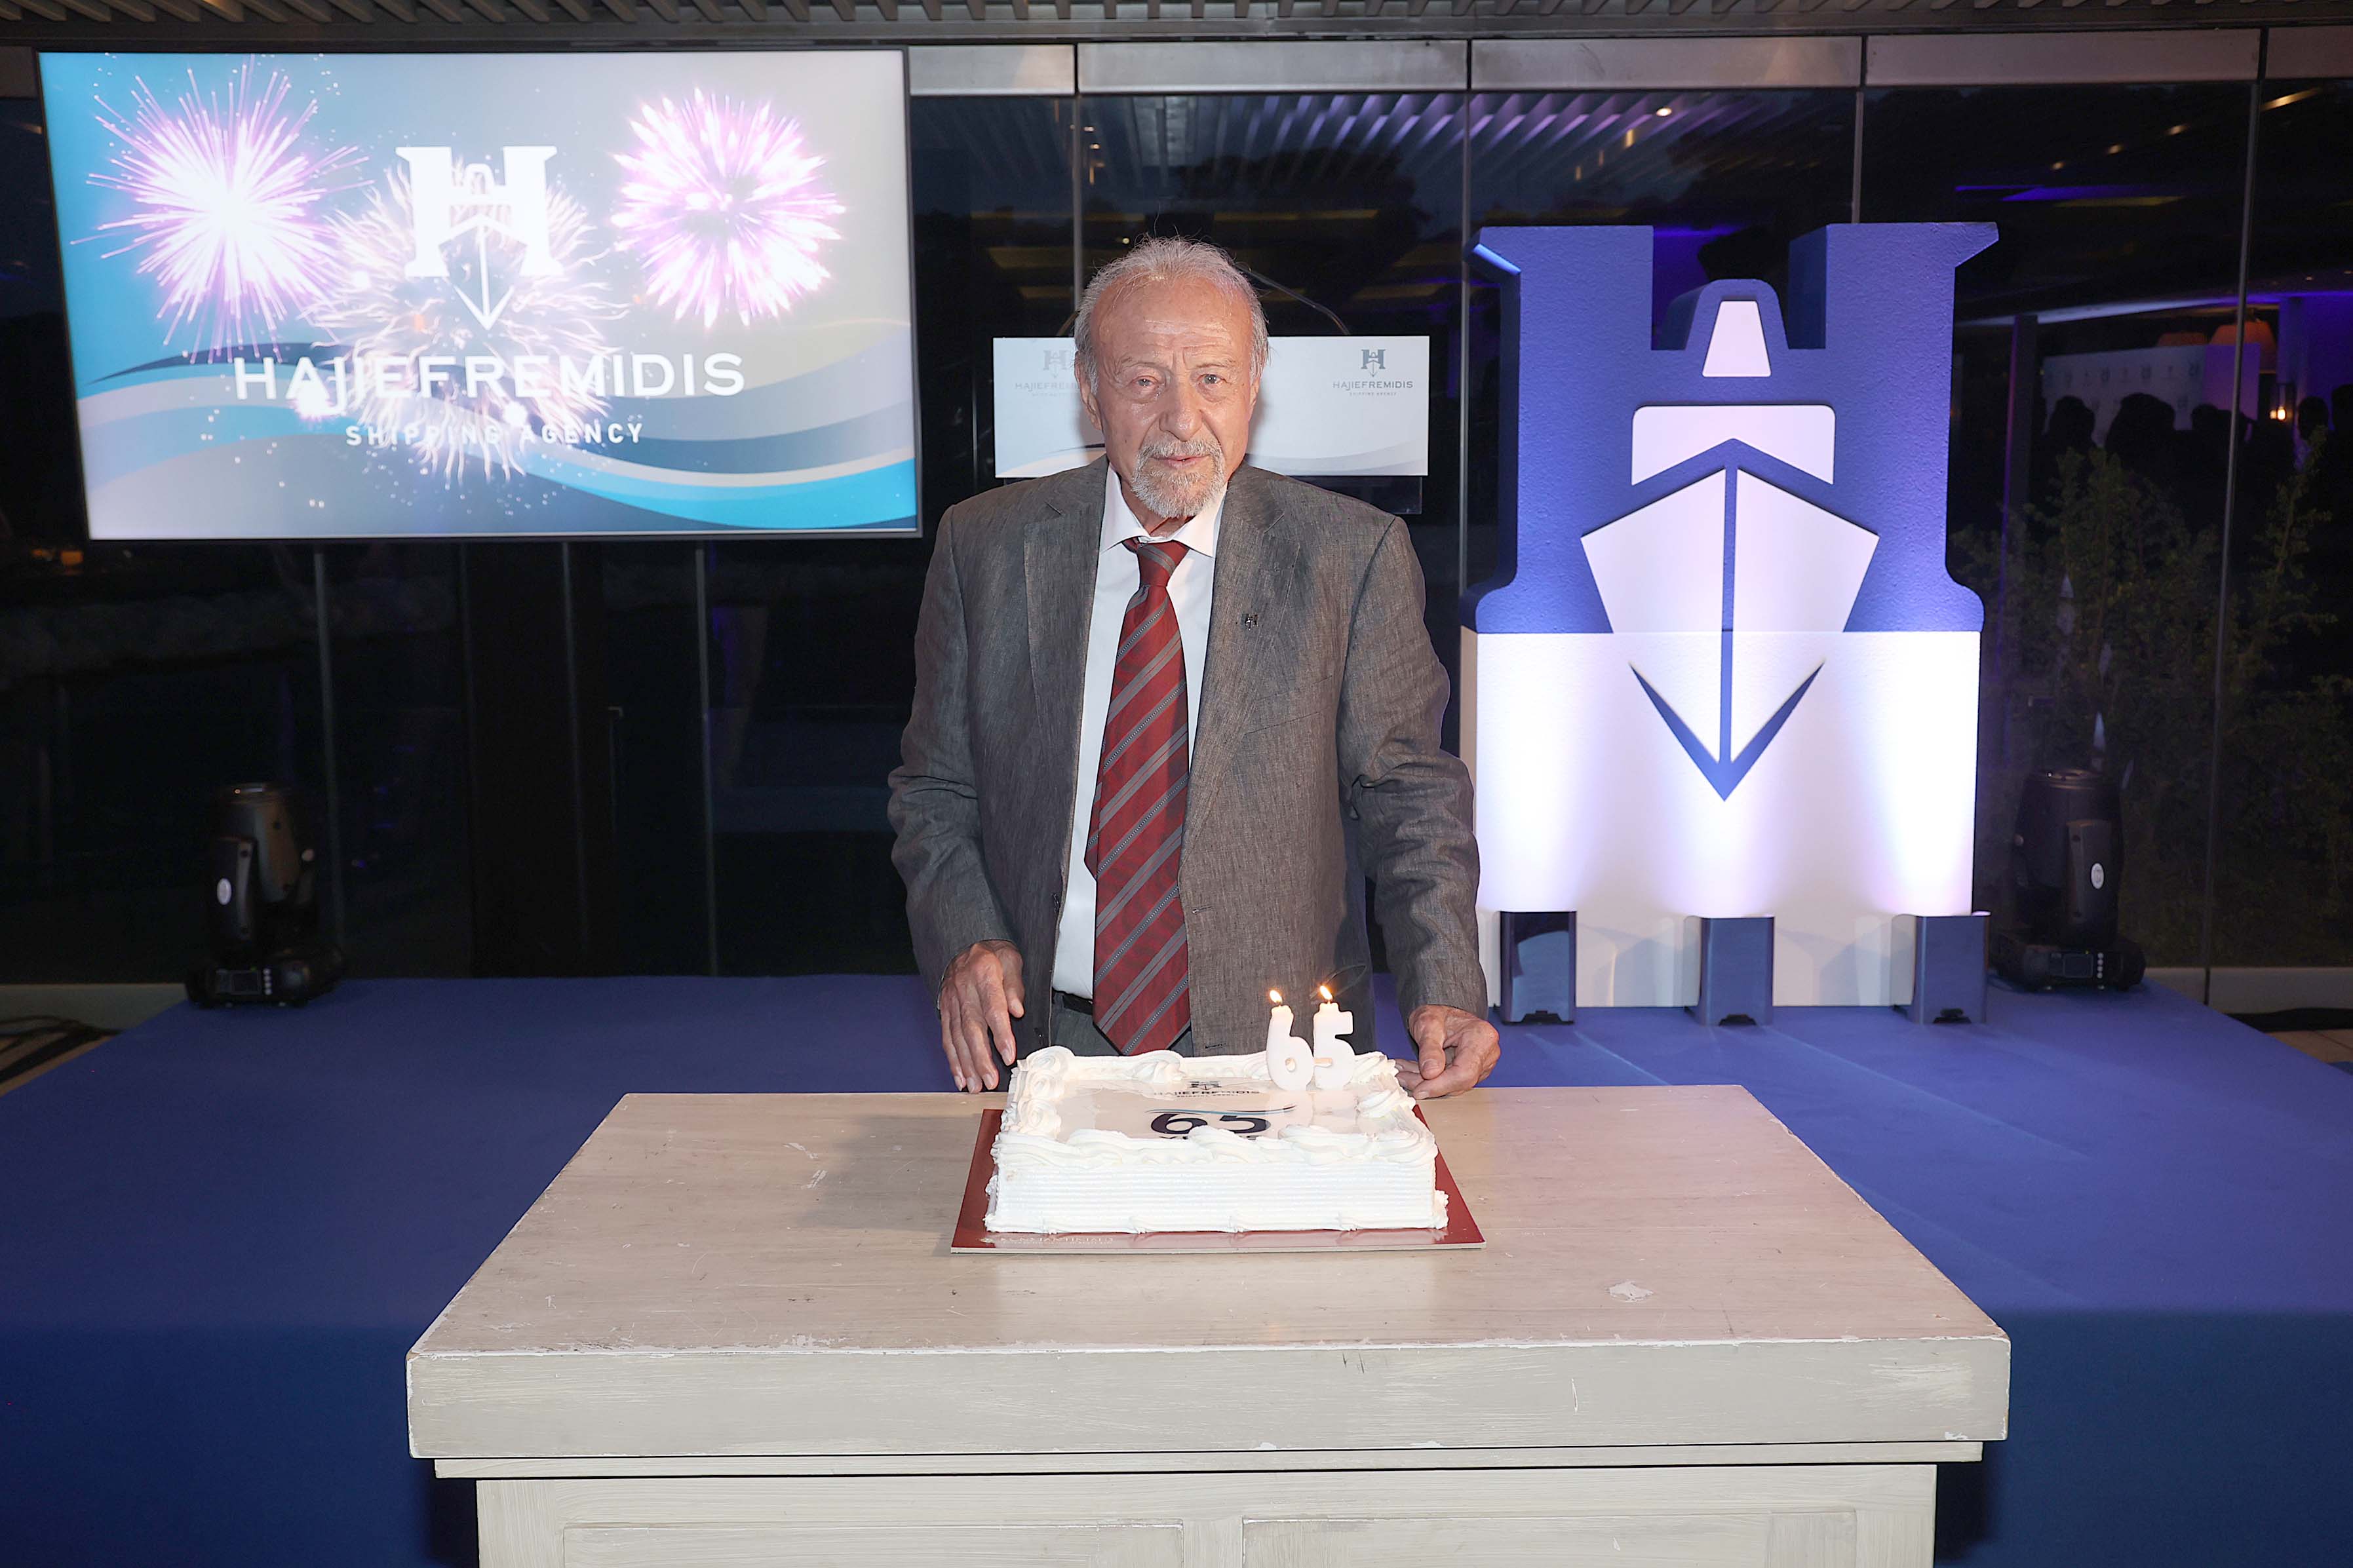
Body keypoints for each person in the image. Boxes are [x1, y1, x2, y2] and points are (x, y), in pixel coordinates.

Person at [887, 236, 1497, 1100]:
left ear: (1253, 386)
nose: (1182, 418)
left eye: (1212, 378)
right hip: (1045, 1048)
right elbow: (935, 791)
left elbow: (1408, 795)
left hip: (1280, 1052)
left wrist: (1445, 984)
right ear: (1090, 392)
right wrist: (965, 936)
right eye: (1144, 381)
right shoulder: (983, 547)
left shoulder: (1349, 556)